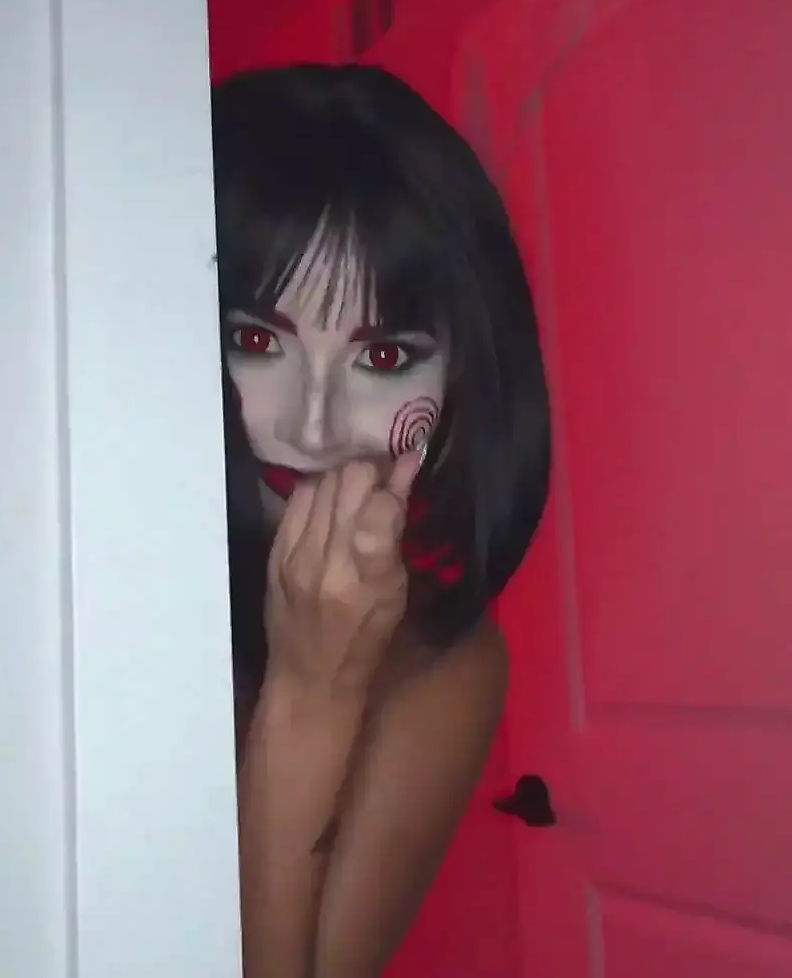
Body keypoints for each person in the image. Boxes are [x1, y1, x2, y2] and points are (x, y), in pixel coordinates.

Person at [212, 62, 552, 977]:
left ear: (465, 376)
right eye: (256, 340)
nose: (315, 428)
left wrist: (313, 693)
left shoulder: (442, 661)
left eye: (386, 357)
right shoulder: (72, 545)